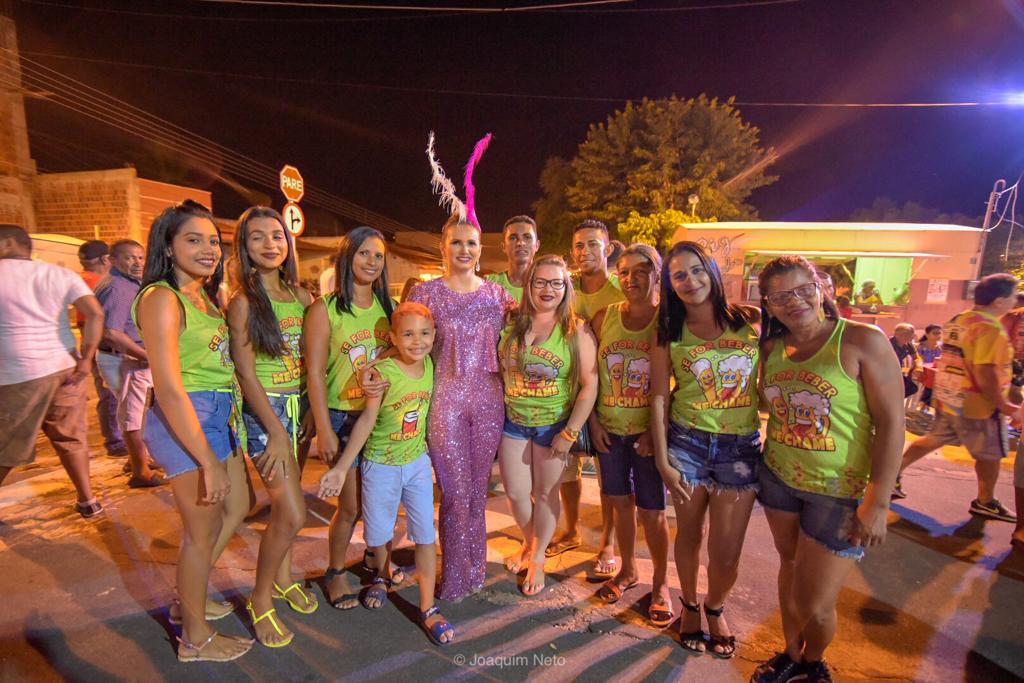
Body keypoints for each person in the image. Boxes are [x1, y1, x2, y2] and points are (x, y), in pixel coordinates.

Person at [751, 255, 903, 683]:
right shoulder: (771, 348)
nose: (794, 301)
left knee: (815, 603)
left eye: (803, 290)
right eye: (780, 296)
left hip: (838, 490)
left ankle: (813, 661)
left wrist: (878, 500)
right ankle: (790, 653)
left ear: (821, 289)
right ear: (768, 304)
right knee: (790, 567)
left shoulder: (861, 340)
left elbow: (893, 422)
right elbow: (767, 404)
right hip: (778, 476)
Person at [134, 200, 253, 663]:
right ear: (168, 246)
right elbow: (168, 387)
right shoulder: (162, 298)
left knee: (237, 506)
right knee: (200, 534)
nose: (208, 249)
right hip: (187, 416)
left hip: (218, 411)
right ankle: (194, 638)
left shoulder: (203, 295)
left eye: (213, 241)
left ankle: (190, 597)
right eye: (193, 239)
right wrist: (206, 461)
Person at [318, 302, 454, 645]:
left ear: (434, 335)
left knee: (426, 535)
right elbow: (366, 420)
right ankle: (380, 574)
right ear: (393, 338)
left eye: (424, 333)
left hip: (417, 464)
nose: (417, 341)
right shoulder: (383, 373)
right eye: (407, 334)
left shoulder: (431, 364)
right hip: (380, 466)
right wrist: (342, 467)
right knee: (379, 534)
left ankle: (427, 607)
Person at [650, 241, 761, 658]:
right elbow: (659, 399)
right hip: (688, 444)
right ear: (670, 284)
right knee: (690, 534)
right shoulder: (669, 331)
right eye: (679, 275)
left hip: (740, 449)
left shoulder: (750, 322)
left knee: (726, 552)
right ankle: (691, 606)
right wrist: (663, 459)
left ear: (712, 272)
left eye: (697, 270)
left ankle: (716, 607)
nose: (690, 280)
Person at [408, 215, 515, 600]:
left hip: (489, 401)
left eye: (471, 243)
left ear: (480, 250)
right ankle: (453, 576)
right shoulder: (425, 294)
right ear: (443, 247)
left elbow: (533, 327)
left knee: (477, 492)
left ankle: (475, 569)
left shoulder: (498, 296)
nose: (464, 250)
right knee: (454, 493)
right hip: (445, 401)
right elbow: (405, 343)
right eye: (456, 242)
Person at [226, 207, 317, 648]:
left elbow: (311, 360)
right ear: (244, 247)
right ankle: (260, 598)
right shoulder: (243, 303)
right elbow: (245, 373)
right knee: (293, 511)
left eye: (277, 235)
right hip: (266, 414)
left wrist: (311, 410)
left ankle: (283, 579)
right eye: (257, 237)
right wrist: (276, 432)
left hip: (298, 409)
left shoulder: (301, 297)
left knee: (287, 509)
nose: (270, 244)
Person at [304, 226, 397, 610]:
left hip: (382, 418)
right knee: (351, 506)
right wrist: (323, 429)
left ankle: (379, 562)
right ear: (348, 256)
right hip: (343, 417)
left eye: (378, 256)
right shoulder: (325, 309)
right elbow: (314, 373)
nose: (371, 262)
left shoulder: (389, 309)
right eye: (364, 253)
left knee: (383, 501)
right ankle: (336, 570)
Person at [498, 254, 598, 595]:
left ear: (566, 287)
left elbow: (590, 385)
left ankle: (538, 555)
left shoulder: (575, 329)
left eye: (557, 283)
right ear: (529, 285)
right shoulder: (512, 322)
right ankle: (530, 542)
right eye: (540, 281)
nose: (548, 289)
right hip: (513, 420)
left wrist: (570, 432)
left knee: (544, 493)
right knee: (515, 493)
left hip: (553, 425)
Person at [589, 244, 671, 627]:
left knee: (653, 512)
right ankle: (627, 570)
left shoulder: (667, 321)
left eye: (641, 271)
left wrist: (656, 432)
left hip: (647, 434)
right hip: (610, 431)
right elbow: (588, 376)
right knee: (620, 503)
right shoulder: (604, 318)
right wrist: (593, 422)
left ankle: (661, 583)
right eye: (623, 272)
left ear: (657, 274)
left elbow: (677, 381)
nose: (630, 278)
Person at [895, 274, 1019, 522]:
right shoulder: (989, 328)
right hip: (978, 405)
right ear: (999, 301)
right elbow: (984, 371)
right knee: (990, 453)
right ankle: (985, 501)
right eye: (1012, 297)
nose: (1014, 302)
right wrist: (1006, 406)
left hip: (950, 397)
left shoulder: (959, 320)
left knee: (933, 439)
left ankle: (890, 476)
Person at [0, 224, 104, 517]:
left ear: (8, 243)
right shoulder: (59, 274)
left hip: (20, 373)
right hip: (66, 367)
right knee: (71, 438)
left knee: (7, 444)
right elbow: (96, 313)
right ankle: (88, 500)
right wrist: (86, 358)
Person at [547, 218, 622, 579]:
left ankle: (608, 543)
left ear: (608, 248)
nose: (585, 251)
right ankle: (571, 529)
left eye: (593, 244)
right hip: (569, 395)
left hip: (611, 395)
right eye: (578, 245)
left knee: (610, 476)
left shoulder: (621, 291)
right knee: (567, 470)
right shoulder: (566, 290)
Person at [94, 239, 162, 487]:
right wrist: (147, 356)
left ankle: (137, 460)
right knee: (134, 414)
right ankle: (140, 472)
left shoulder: (125, 283)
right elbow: (112, 333)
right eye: (129, 257)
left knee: (137, 411)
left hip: (125, 357)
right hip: (126, 358)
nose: (137, 263)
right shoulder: (118, 288)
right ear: (112, 260)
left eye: (140, 257)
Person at [80, 239, 126, 456]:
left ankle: (119, 440)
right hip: (106, 347)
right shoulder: (102, 283)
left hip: (96, 345)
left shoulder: (81, 280)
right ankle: (117, 442)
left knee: (112, 396)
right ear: (106, 259)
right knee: (112, 397)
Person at [486, 215, 539, 303]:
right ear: (503, 246)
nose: (520, 243)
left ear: (537, 245)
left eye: (527, 237)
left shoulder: (548, 285)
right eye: (513, 238)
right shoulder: (490, 284)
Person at [889, 323, 920, 402]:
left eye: (913, 335)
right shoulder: (888, 344)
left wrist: (918, 367)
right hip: (886, 372)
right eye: (910, 335)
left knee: (912, 388)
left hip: (898, 372)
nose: (913, 337)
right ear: (900, 335)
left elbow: (916, 358)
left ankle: (894, 401)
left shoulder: (908, 344)